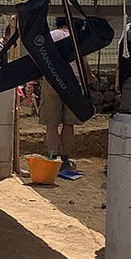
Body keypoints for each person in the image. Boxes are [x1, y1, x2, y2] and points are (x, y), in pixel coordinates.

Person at [35, 16, 89, 171]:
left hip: (52, 80)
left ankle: (52, 160)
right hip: (73, 81)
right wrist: (89, 78)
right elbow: (83, 62)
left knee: (51, 124)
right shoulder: (78, 38)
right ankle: (65, 161)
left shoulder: (51, 36)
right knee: (69, 123)